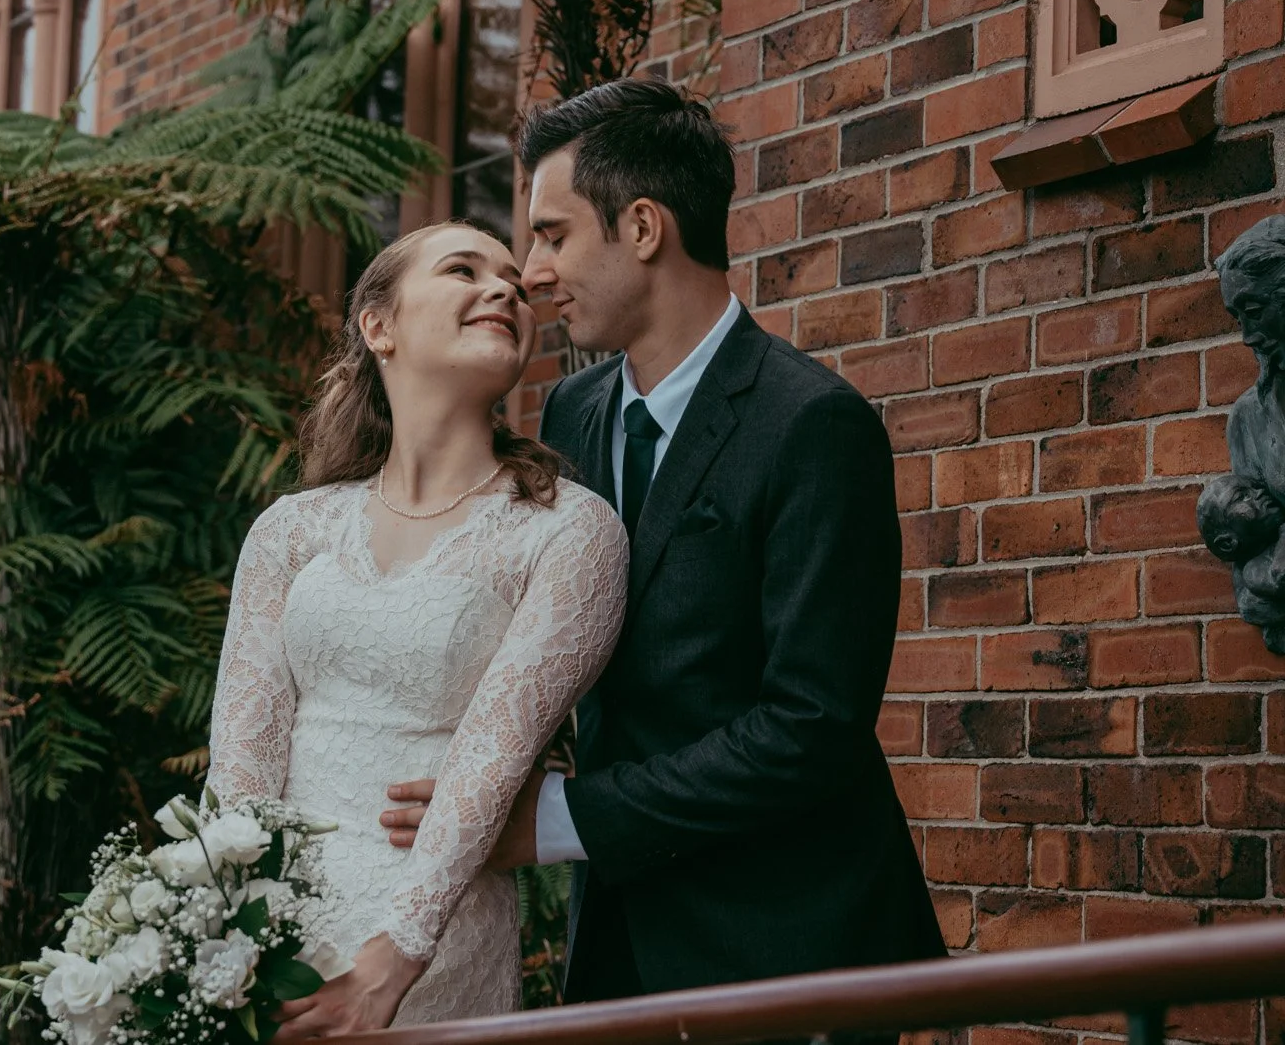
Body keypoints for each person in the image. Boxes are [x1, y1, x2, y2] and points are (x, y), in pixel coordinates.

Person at [379, 78, 944, 1001]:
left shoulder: (813, 425)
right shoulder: (572, 407)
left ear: (643, 227)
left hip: (792, 946)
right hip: (622, 943)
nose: (530, 270)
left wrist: (558, 818)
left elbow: (811, 728)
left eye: (553, 234)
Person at [205, 222, 629, 1034]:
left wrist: (394, 958)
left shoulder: (566, 531)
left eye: (511, 278)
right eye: (463, 270)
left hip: (431, 943)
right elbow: (241, 767)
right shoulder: (292, 530)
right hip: (267, 944)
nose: (504, 288)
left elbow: (493, 759)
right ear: (379, 325)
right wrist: (225, 939)